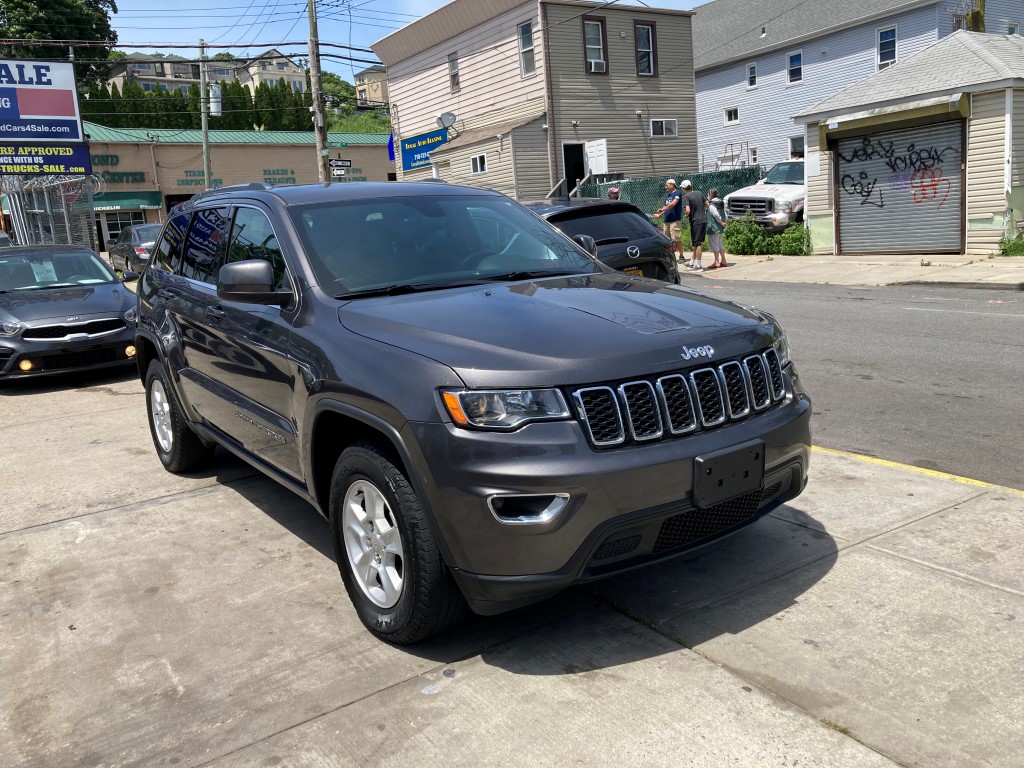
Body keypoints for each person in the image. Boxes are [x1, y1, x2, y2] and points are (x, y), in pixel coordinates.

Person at [653, 179, 682, 259]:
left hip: (675, 220)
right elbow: (666, 208)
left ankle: (681, 256)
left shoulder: (678, 193)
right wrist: (659, 214)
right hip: (666, 221)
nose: (665, 187)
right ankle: (671, 256)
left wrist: (663, 209)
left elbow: (673, 204)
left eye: (667, 185)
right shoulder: (667, 196)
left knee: (676, 238)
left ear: (672, 185)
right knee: (667, 240)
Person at [681, 180, 707, 270]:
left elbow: (687, 210)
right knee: (696, 243)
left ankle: (699, 266)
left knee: (698, 243)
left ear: (684, 188)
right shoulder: (699, 193)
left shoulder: (686, 196)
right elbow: (707, 204)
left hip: (696, 221)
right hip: (704, 220)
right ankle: (692, 263)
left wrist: (686, 214)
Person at [705, 187, 729, 269]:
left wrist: (720, 222)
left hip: (714, 227)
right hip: (720, 227)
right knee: (720, 243)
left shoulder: (712, 204)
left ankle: (716, 262)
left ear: (711, 195)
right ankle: (724, 260)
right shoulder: (720, 202)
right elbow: (724, 214)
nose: (707, 196)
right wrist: (723, 223)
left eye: (708, 194)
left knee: (714, 244)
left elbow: (715, 215)